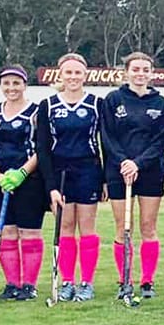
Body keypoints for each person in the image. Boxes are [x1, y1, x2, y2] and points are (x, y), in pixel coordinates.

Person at [99, 53, 164, 301]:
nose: (140, 73)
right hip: (118, 170)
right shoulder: (113, 100)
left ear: (152, 73)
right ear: (127, 72)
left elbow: (160, 142)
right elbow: (107, 137)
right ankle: (125, 280)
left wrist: (138, 163)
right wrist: (124, 162)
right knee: (123, 228)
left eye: (145, 69)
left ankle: (147, 280)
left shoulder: (162, 104)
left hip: (151, 171)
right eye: (136, 69)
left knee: (148, 227)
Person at [35, 52, 104, 301]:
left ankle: (86, 282)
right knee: (65, 226)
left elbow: (104, 142)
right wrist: (51, 186)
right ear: (60, 75)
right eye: (68, 72)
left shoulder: (96, 103)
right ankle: (67, 281)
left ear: (85, 75)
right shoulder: (48, 105)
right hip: (59, 172)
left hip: (88, 170)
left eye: (77, 72)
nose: (73, 77)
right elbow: (42, 148)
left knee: (87, 227)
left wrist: (104, 179)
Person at [0, 65, 46, 300]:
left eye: (16, 83)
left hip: (29, 181)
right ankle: (12, 284)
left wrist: (22, 173)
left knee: (29, 232)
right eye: (6, 83)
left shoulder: (37, 111)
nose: (11, 88)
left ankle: (29, 285)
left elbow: (41, 148)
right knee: (7, 231)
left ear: (25, 85)